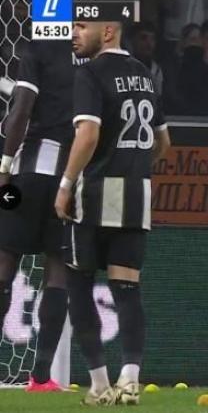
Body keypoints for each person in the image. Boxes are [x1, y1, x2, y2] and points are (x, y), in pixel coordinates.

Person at [55, 21, 170, 406]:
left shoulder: (89, 72)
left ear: (108, 31)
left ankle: (100, 384)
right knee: (127, 289)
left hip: (95, 193)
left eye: (82, 26)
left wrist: (67, 183)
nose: (74, 33)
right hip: (136, 195)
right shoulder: (144, 74)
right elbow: (163, 141)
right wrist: (133, 163)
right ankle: (131, 377)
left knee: (78, 285)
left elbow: (87, 135)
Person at [0, 41, 75, 392]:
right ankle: (41, 377)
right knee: (57, 268)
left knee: (4, 259)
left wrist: (4, 166)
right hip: (68, 180)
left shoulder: (37, 51)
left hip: (26, 177)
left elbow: (21, 110)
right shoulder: (93, 58)